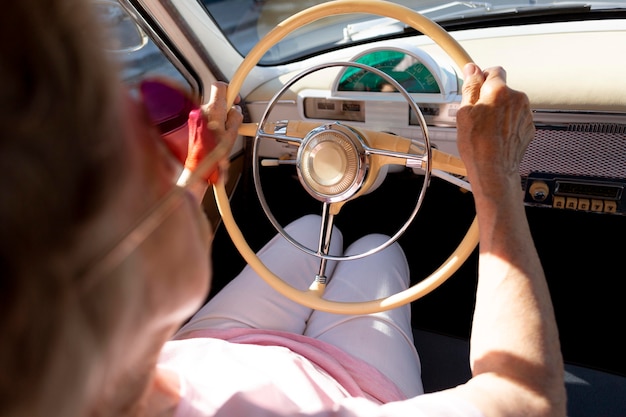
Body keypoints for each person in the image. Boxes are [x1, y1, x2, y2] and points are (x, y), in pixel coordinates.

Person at [0, 1, 566, 417]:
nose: (161, 159)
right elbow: (525, 400)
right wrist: (496, 179)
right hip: (347, 386)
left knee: (304, 228)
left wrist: (197, 175)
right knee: (373, 248)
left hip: (211, 346)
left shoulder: (75, 374)